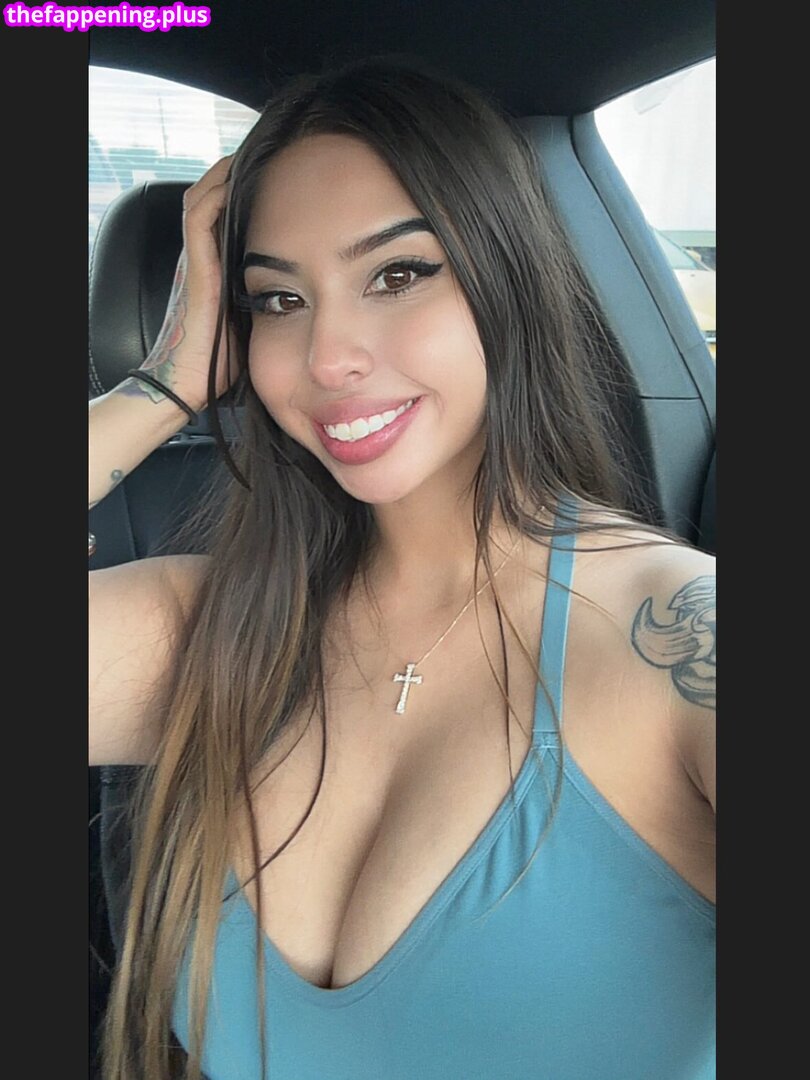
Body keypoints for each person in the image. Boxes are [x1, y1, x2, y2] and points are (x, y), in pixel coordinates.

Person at [89, 56, 716, 1080]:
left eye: (397, 275)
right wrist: (164, 383)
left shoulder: (684, 643)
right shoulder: (212, 631)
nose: (326, 356)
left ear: (507, 276)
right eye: (277, 299)